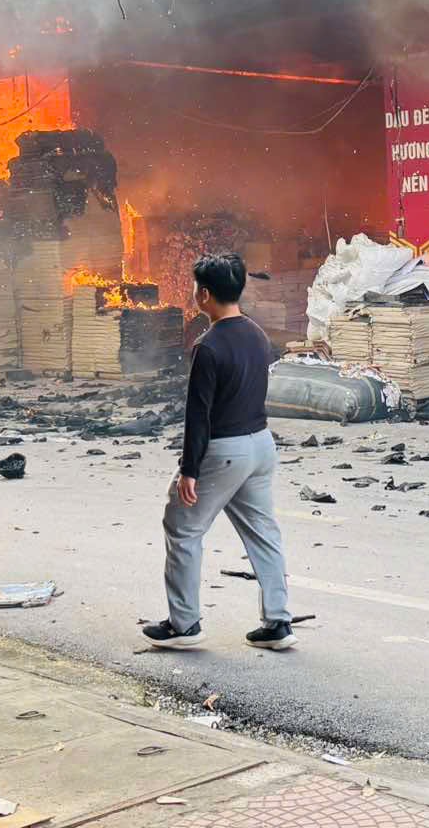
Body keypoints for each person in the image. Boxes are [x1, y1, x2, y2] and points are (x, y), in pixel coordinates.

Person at [142, 253, 297, 651]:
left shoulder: (207, 346)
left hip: (225, 451)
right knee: (263, 533)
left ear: (205, 294)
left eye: (196, 287)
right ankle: (278, 623)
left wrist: (189, 469)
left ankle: (184, 625)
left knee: (182, 529)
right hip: (261, 445)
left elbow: (199, 415)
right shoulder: (257, 334)